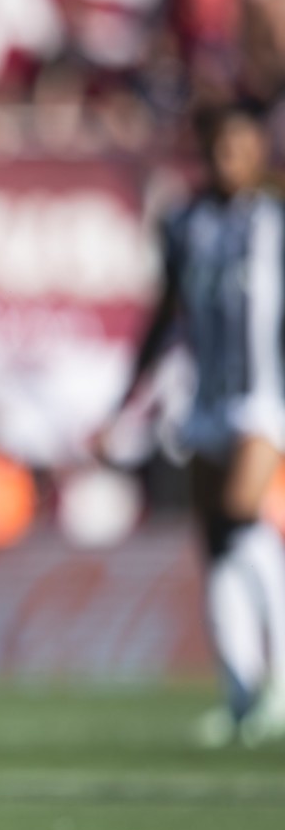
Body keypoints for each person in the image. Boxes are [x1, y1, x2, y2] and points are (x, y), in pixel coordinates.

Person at [101, 100, 285, 747]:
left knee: (242, 516)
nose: (226, 159)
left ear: (259, 152)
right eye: (216, 147)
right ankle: (240, 693)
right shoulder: (184, 222)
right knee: (216, 543)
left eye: (238, 147)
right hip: (206, 396)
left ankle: (280, 686)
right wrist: (127, 396)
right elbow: (164, 312)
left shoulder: (276, 221)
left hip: (267, 394)